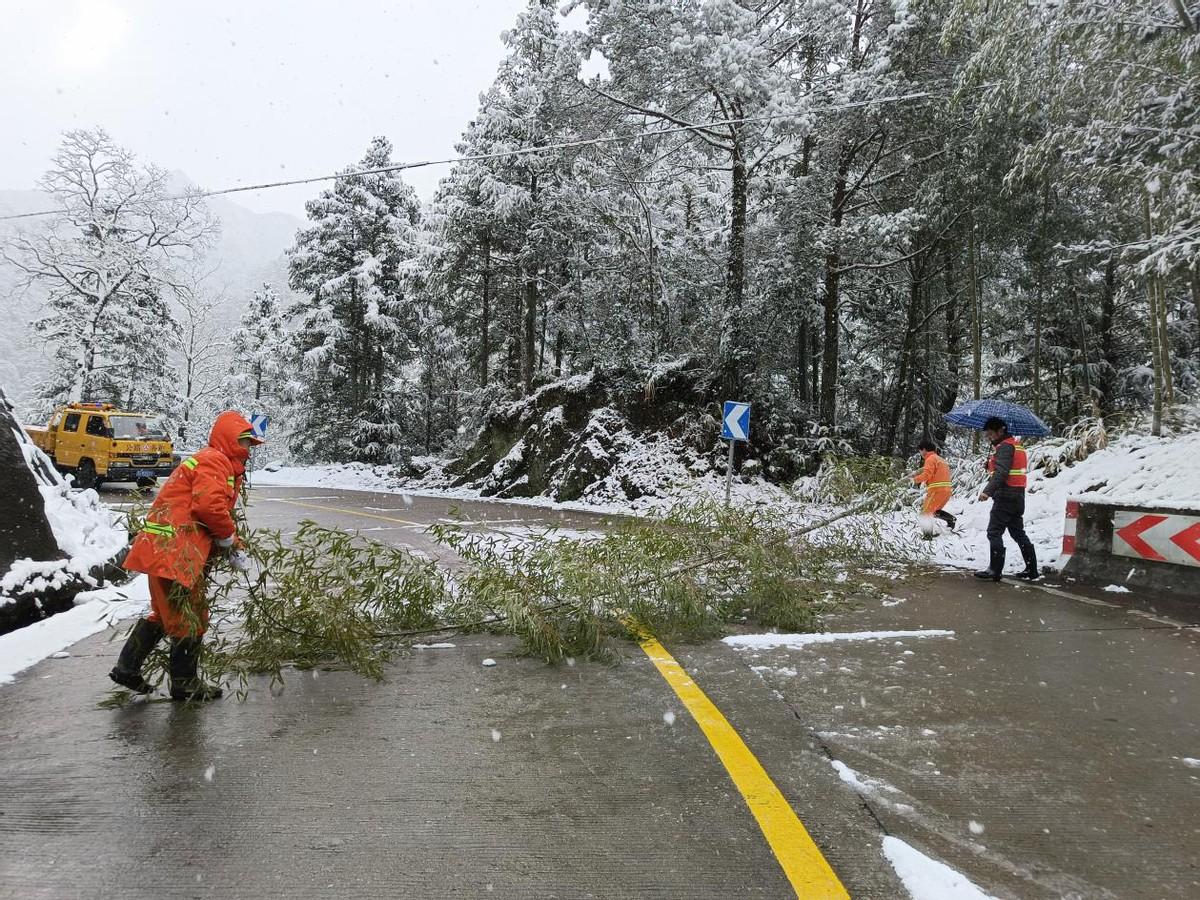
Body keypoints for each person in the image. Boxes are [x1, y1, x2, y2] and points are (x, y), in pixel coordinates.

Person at [109, 411, 263, 701]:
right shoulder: (214, 460)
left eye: (250, 446)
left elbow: (204, 510)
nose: (248, 452)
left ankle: (127, 667)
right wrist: (231, 543)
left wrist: (228, 545)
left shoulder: (214, 462)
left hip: (165, 550)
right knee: (190, 615)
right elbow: (209, 507)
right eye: (244, 443)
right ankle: (184, 684)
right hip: (175, 552)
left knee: (168, 614)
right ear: (230, 440)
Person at [974, 416, 1038, 582]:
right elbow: (1010, 468)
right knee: (1018, 533)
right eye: (987, 435)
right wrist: (990, 464)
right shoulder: (1016, 446)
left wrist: (987, 491)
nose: (989, 437)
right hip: (1018, 496)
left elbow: (1002, 473)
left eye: (991, 434)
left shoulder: (1005, 447)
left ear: (1000, 430)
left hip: (1005, 496)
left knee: (994, 532)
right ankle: (1032, 569)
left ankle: (994, 570)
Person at [912, 438, 955, 532]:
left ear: (924, 449)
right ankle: (951, 519)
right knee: (934, 511)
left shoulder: (930, 459)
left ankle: (927, 536)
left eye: (920, 451)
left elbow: (927, 475)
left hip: (936, 490)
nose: (920, 453)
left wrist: (913, 480)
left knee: (926, 513)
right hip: (946, 491)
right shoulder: (941, 460)